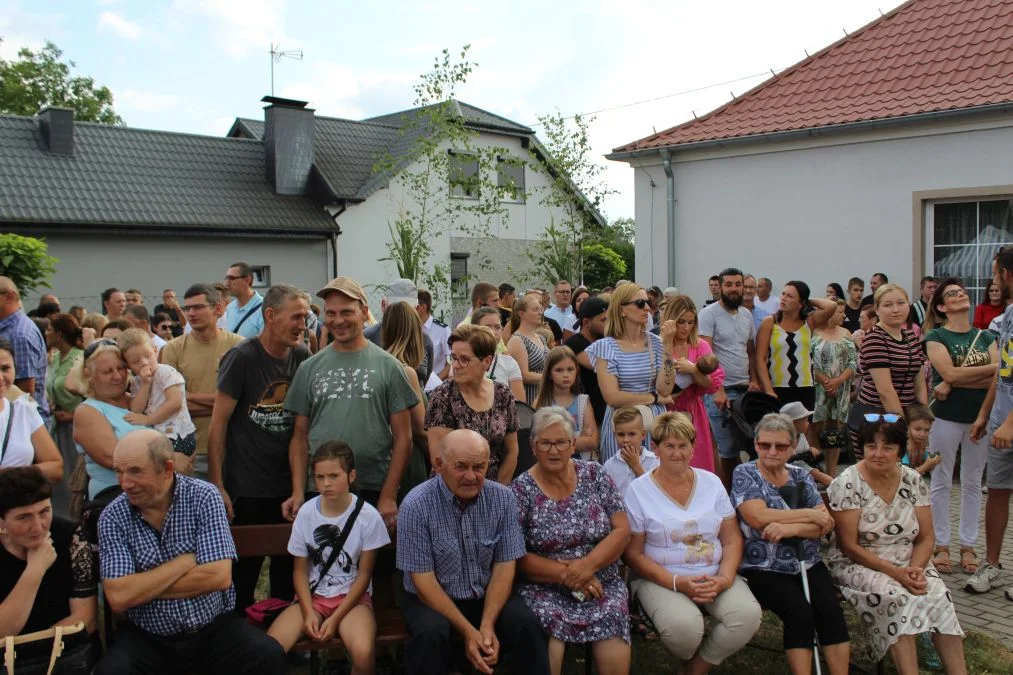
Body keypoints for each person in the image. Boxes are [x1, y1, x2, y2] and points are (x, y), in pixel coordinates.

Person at [94, 430, 285, 674]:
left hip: (214, 630)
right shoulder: (113, 516)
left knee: (267, 655)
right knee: (113, 672)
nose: (124, 483)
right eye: (118, 472)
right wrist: (183, 564)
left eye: (135, 471)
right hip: (148, 636)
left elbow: (218, 577)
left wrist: (142, 588)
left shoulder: (203, 497)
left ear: (167, 469)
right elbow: (119, 597)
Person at [396, 429, 550, 675]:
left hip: (486, 593)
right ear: (438, 464)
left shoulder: (503, 499)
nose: (471, 476)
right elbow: (423, 582)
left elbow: (504, 566)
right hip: (433, 598)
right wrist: (470, 632)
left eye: (479, 467)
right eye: (461, 467)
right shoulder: (416, 505)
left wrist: (486, 627)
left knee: (527, 625)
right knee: (430, 635)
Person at [624, 412, 761, 674]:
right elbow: (634, 554)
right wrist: (677, 583)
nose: (677, 453)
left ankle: (698, 665)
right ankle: (689, 654)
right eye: (669, 446)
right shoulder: (639, 490)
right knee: (684, 630)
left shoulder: (712, 482)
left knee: (747, 616)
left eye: (683, 445)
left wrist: (724, 578)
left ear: (693, 447)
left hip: (713, 574)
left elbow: (731, 539)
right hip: (662, 578)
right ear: (656, 448)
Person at [827, 418, 966, 673]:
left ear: (900, 451)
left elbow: (926, 537)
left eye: (888, 447)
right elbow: (848, 547)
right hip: (858, 561)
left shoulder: (912, 479)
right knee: (899, 597)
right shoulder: (848, 482)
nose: (878, 454)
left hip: (910, 558)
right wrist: (896, 573)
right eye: (871, 446)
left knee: (938, 594)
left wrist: (914, 569)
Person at [207, 284, 310, 614]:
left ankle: (280, 642)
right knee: (242, 576)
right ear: (270, 315)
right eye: (295, 317)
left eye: (305, 317)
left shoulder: (301, 357)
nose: (302, 324)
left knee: (285, 574)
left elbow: (299, 431)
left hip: (285, 489)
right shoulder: (242, 359)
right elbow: (218, 424)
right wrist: (218, 486)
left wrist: (298, 490)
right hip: (246, 487)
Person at [285, 276, 418, 529]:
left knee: (372, 567)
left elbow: (404, 438)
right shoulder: (309, 368)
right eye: (331, 313)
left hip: (373, 487)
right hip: (321, 489)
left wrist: (389, 495)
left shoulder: (388, 366)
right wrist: (299, 491)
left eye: (347, 312)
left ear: (364, 312)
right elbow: (299, 437)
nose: (338, 320)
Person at [512, 407, 631, 674]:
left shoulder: (594, 474)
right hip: (545, 586)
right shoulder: (520, 490)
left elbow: (622, 530)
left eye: (561, 442)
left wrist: (587, 566)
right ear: (533, 446)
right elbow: (516, 554)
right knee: (551, 637)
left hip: (602, 580)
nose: (554, 450)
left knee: (611, 622)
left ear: (573, 444)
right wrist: (570, 574)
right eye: (545, 443)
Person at [731, 413, 850, 675]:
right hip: (763, 566)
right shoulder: (746, 473)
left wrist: (790, 528)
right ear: (756, 444)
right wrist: (809, 515)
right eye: (764, 445)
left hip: (808, 560)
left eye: (781, 446)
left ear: (793, 446)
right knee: (800, 613)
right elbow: (758, 516)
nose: (772, 452)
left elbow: (826, 523)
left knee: (829, 612)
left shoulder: (800, 475)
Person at [267, 441, 390, 671]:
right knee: (268, 649)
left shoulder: (368, 516)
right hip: (312, 597)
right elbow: (299, 571)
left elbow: (364, 576)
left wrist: (334, 619)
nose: (326, 484)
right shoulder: (306, 513)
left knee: (364, 654)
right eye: (320, 477)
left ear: (351, 476)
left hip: (352, 600)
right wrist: (306, 612)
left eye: (334, 476)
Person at [920, 277, 997, 573]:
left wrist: (958, 379)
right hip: (945, 416)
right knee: (940, 480)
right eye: (952, 294)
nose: (960, 295)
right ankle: (941, 545)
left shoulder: (986, 336)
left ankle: (968, 546)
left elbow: (995, 378)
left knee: (973, 482)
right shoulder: (936, 336)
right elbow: (948, 372)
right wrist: (994, 368)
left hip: (980, 416)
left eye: (962, 292)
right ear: (941, 306)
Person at [0, 466, 98, 673]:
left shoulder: (71, 536)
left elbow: (84, 620)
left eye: (44, 512)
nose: (38, 527)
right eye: (24, 517)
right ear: (1, 522)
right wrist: (34, 571)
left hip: (66, 657)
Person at [966, 247, 1013, 598]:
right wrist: (986, 414)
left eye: (996, 272)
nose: (994, 278)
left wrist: (1009, 422)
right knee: (997, 491)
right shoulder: (1008, 314)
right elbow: (1004, 371)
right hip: (1000, 422)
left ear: (1007, 274)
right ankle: (992, 565)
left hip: (1008, 424)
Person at [160, 284, 244, 474]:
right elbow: (172, 407)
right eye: (187, 307)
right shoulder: (173, 349)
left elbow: (245, 403)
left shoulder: (239, 346)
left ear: (218, 308)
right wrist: (226, 405)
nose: (191, 313)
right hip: (191, 451)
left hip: (234, 448)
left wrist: (188, 396)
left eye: (198, 307)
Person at [588, 283, 676, 464]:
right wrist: (653, 397)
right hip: (623, 424)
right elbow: (612, 397)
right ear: (622, 310)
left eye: (648, 302)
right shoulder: (605, 347)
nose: (647, 308)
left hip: (653, 423)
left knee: (657, 480)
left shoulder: (656, 342)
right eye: (640, 303)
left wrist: (668, 346)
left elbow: (665, 389)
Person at [426, 324, 519, 482]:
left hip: (495, 489)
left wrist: (497, 492)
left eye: (464, 359)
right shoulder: (442, 396)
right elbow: (440, 461)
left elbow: (512, 451)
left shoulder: (503, 394)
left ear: (487, 362)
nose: (455, 365)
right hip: (453, 490)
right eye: (453, 357)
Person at [850, 284, 928, 458]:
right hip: (875, 417)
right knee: (876, 473)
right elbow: (885, 390)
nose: (895, 309)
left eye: (901, 303)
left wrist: (920, 420)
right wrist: (904, 428)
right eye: (887, 305)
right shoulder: (874, 339)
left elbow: (919, 381)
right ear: (877, 309)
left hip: (907, 414)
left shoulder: (910, 337)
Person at [698, 268, 758, 488]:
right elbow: (706, 354)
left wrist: (754, 379)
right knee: (728, 451)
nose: (734, 289)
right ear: (720, 287)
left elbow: (750, 351)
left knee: (753, 447)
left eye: (738, 284)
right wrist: (718, 389)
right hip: (720, 392)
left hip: (746, 390)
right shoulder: (708, 314)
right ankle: (726, 500)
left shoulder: (747, 315)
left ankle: (746, 494)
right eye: (729, 284)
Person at [69, 339, 149, 499]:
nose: (118, 376)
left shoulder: (140, 399)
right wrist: (167, 458)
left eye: (121, 368)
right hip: (116, 496)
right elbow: (112, 458)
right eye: (107, 372)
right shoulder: (87, 411)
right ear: (88, 375)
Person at [662, 295, 724, 472]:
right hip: (666, 409)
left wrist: (693, 370)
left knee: (697, 462)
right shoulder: (659, 343)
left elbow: (711, 385)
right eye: (681, 322)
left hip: (692, 410)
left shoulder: (700, 345)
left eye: (690, 322)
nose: (686, 327)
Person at [118, 329, 197, 463]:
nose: (144, 362)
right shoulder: (137, 381)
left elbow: (175, 402)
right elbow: (136, 409)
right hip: (159, 435)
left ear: (155, 351)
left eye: (147, 355)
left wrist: (149, 420)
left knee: (156, 461)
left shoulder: (165, 372)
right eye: (136, 361)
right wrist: (145, 384)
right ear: (128, 365)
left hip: (178, 435)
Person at [755, 281, 837, 410]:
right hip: (777, 387)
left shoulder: (809, 321)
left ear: (801, 303)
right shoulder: (770, 322)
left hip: (805, 387)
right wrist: (768, 390)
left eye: (790, 296)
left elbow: (831, 306)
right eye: (783, 294)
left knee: (804, 428)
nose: (784, 298)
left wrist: (807, 300)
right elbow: (760, 358)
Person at [0, 338, 62, 483]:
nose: (0, 377)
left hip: (18, 502)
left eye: (5, 368)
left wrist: (9, 477)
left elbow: (56, 467)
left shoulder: (24, 410)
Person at [811, 298, 857, 478]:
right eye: (840, 311)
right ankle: (814, 471)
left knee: (835, 431)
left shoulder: (846, 333)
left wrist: (838, 381)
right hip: (818, 389)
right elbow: (808, 362)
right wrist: (825, 381)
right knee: (814, 428)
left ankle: (831, 474)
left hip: (840, 390)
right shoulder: (814, 332)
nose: (844, 315)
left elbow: (853, 362)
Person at [533, 347, 599, 461]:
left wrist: (556, 442)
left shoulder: (583, 401)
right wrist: (579, 437)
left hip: (581, 463)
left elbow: (593, 441)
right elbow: (537, 441)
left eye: (570, 369)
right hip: (551, 462)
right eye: (559, 370)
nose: (565, 375)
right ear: (549, 374)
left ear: (576, 371)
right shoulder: (541, 402)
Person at [364, 279, 435, 385]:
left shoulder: (424, 340)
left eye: (407, 309)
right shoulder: (367, 338)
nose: (401, 315)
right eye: (395, 309)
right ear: (383, 305)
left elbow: (423, 381)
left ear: (417, 308)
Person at [0, 276, 51, 424]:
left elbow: (26, 388)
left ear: (9, 297)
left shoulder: (19, 334)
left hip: (24, 422)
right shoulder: (13, 328)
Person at [44, 314, 85, 490]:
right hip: (59, 425)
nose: (45, 333)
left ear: (59, 334)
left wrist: (72, 414)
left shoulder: (79, 359)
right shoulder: (56, 358)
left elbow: (90, 393)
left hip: (78, 426)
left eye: (49, 330)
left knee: (75, 472)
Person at [564, 297, 608, 428]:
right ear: (586, 322)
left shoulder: (605, 342)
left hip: (605, 415)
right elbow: (600, 367)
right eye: (603, 320)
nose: (609, 323)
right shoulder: (575, 343)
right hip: (587, 419)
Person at [602, 406, 660, 497]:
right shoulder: (609, 466)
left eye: (632, 434)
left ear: (643, 435)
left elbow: (656, 494)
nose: (626, 440)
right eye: (621, 434)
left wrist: (635, 466)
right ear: (614, 435)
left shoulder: (655, 461)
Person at [470, 307, 525, 401]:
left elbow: (519, 404)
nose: (493, 332)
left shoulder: (509, 362)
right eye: (487, 327)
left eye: (497, 327)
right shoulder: (464, 361)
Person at [507, 294, 550, 405]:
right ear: (522, 314)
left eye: (541, 309)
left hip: (544, 396)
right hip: (529, 398)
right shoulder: (518, 339)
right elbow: (523, 375)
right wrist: (551, 377)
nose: (540, 313)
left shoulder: (540, 338)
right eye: (535, 309)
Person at [223, 262, 265, 339]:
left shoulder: (264, 308)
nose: (227, 283)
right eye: (226, 278)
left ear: (247, 280)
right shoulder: (230, 307)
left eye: (232, 278)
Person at [417, 289, 451, 381]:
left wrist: (435, 383)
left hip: (434, 385)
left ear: (423, 307)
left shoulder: (442, 330)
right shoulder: (408, 328)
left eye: (414, 306)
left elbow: (450, 363)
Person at [904, 404, 942, 476]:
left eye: (927, 430)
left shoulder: (921, 446)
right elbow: (906, 476)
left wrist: (933, 462)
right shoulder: (903, 449)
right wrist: (927, 465)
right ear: (907, 427)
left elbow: (927, 468)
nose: (922, 434)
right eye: (917, 429)